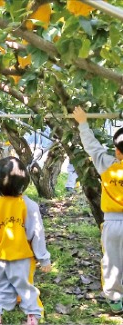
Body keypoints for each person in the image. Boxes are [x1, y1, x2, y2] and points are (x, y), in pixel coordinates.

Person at [0, 156, 51, 325]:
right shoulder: (29, 205)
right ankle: (33, 317)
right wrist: (43, 258)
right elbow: (37, 234)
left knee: (2, 290)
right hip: (21, 258)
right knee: (26, 290)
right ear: (24, 180)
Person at [73, 107, 123, 314]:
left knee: (111, 262)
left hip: (112, 223)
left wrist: (82, 122)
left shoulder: (109, 165)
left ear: (117, 151)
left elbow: (93, 148)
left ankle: (115, 301)